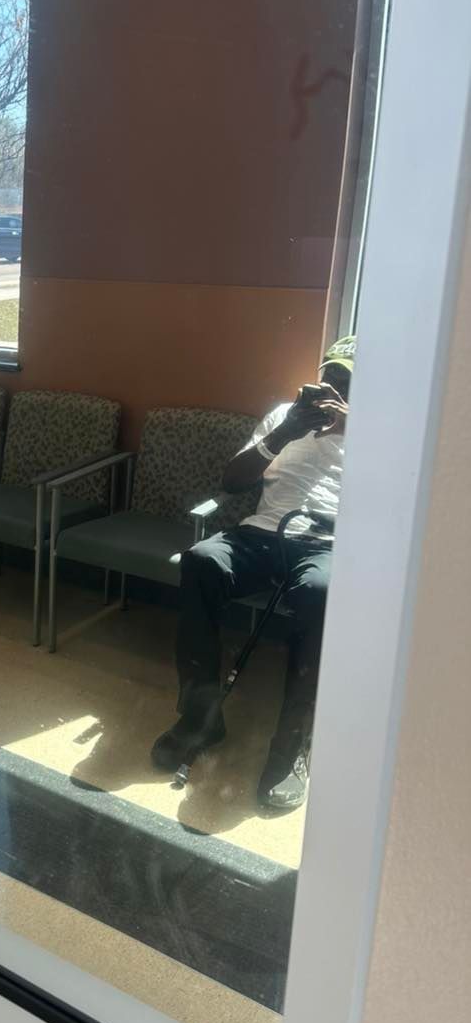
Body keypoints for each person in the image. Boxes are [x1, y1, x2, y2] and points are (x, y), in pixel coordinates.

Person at [150, 336, 356, 811]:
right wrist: (285, 432)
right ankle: (200, 717)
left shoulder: (380, 429)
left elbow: (399, 497)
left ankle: (292, 745)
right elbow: (232, 481)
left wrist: (356, 428)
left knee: (321, 591)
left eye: (346, 383)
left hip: (325, 542)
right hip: (262, 533)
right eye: (328, 377)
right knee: (201, 559)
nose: (333, 390)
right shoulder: (284, 416)